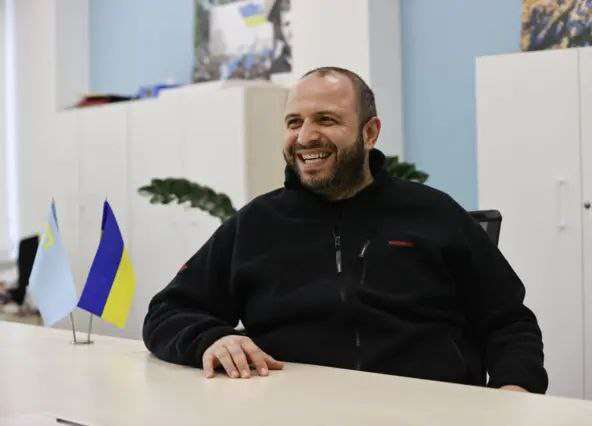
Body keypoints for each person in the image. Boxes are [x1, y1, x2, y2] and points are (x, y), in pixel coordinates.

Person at [143, 67, 548, 393]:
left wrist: (514, 391)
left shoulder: (434, 213)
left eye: (326, 119)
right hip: (292, 411)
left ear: (369, 133)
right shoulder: (254, 224)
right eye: (294, 122)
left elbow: (509, 322)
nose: (305, 137)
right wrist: (211, 338)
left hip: (430, 409)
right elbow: (168, 311)